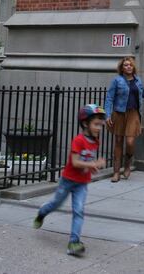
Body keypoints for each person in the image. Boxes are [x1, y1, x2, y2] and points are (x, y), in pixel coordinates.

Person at [33, 104, 106, 256]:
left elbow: (85, 163)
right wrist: (93, 163)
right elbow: (75, 162)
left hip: (82, 183)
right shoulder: (78, 140)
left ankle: (74, 242)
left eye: (100, 125)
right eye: (96, 124)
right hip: (68, 180)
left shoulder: (95, 141)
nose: (99, 128)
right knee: (56, 204)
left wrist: (92, 167)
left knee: (78, 211)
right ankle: (42, 212)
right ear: (85, 123)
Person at [104, 56, 144, 182]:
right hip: (119, 113)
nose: (128, 67)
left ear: (133, 67)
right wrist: (108, 115)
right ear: (122, 68)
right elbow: (109, 98)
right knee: (118, 141)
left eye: (130, 65)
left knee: (130, 142)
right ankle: (116, 172)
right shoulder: (117, 81)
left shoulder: (138, 81)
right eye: (126, 65)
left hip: (133, 114)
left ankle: (127, 164)